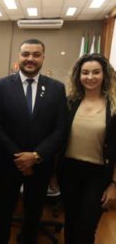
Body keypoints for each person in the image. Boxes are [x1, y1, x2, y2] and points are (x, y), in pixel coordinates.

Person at [0, 38, 67, 244]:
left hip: (40, 166)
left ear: (43, 57)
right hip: (9, 164)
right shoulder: (0, 86)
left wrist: (35, 156)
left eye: (36, 54)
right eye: (26, 54)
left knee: (33, 215)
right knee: (3, 214)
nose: (30, 59)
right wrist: (19, 158)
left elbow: (60, 129)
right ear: (19, 57)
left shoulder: (56, 89)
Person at [59, 53, 116, 244]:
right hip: (69, 171)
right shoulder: (69, 103)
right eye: (85, 73)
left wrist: (114, 184)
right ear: (78, 76)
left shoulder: (114, 107)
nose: (90, 77)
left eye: (96, 72)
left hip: (98, 176)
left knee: (87, 226)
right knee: (71, 223)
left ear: (105, 75)